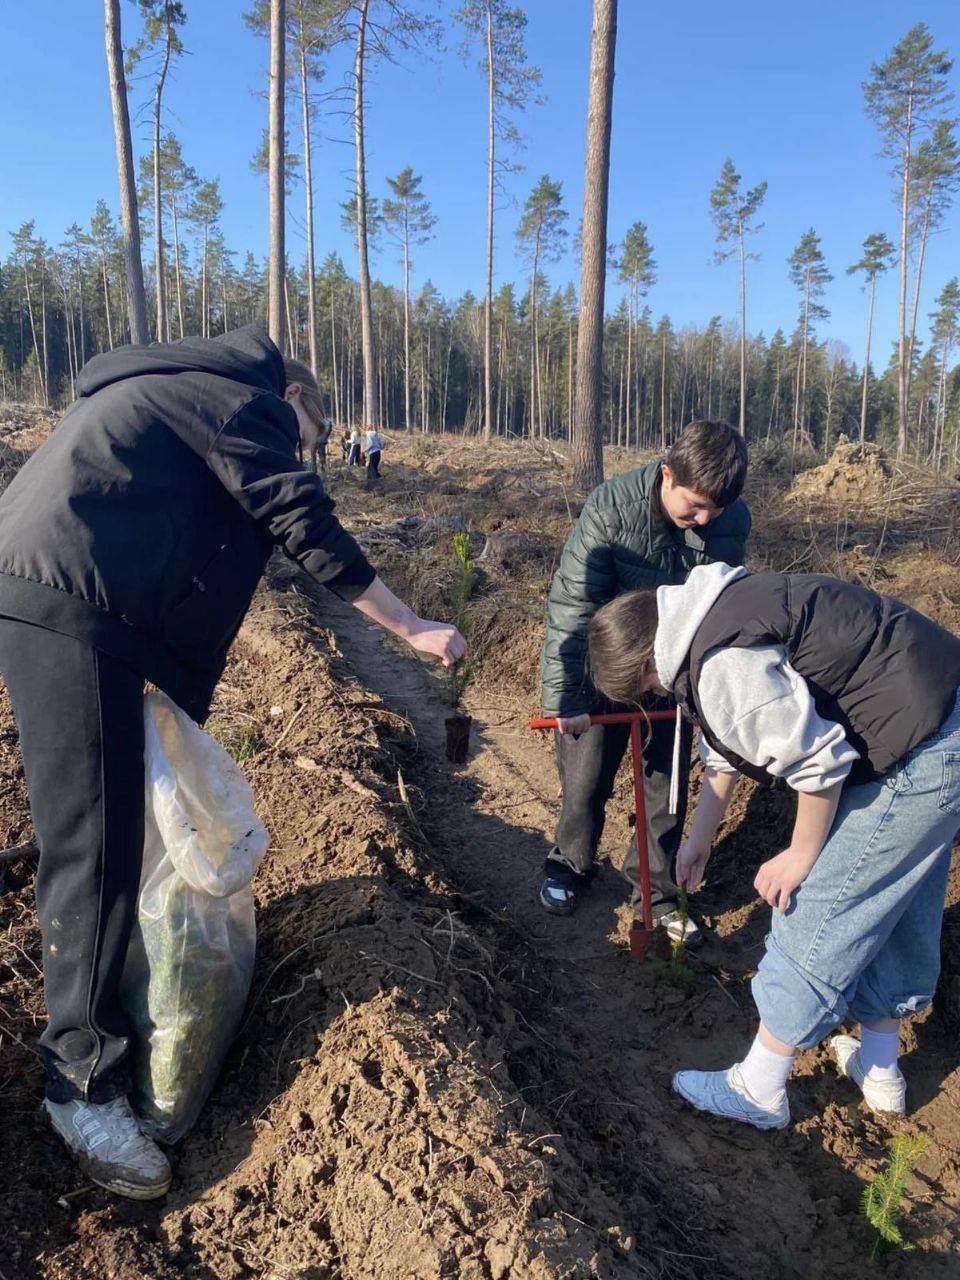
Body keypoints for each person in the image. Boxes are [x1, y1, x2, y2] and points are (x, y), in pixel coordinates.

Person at [0, 326, 466, 1199]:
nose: (302, 455)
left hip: (65, 599)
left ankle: (99, 1018)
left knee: (101, 826)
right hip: (69, 606)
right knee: (93, 847)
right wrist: (411, 626)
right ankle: (81, 1083)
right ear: (295, 403)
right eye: (307, 441)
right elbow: (297, 516)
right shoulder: (239, 398)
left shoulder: (167, 388)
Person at [587, 563, 960, 1130]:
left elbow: (817, 763)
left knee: (819, 908)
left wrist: (801, 855)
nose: (654, 694)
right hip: (939, 717)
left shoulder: (719, 662)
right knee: (896, 899)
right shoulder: (708, 614)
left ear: (646, 666)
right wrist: (698, 842)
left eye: (644, 690)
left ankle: (759, 1086)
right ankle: (881, 1066)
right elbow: (726, 744)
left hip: (922, 745)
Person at [538, 421, 750, 942]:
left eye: (714, 510)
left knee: (667, 790)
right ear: (666, 474)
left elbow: (720, 604)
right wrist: (566, 695)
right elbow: (572, 605)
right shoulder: (611, 508)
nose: (704, 519)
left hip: (673, 676)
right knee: (586, 778)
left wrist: (706, 689)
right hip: (606, 663)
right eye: (695, 506)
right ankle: (570, 862)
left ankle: (654, 890)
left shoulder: (729, 520)